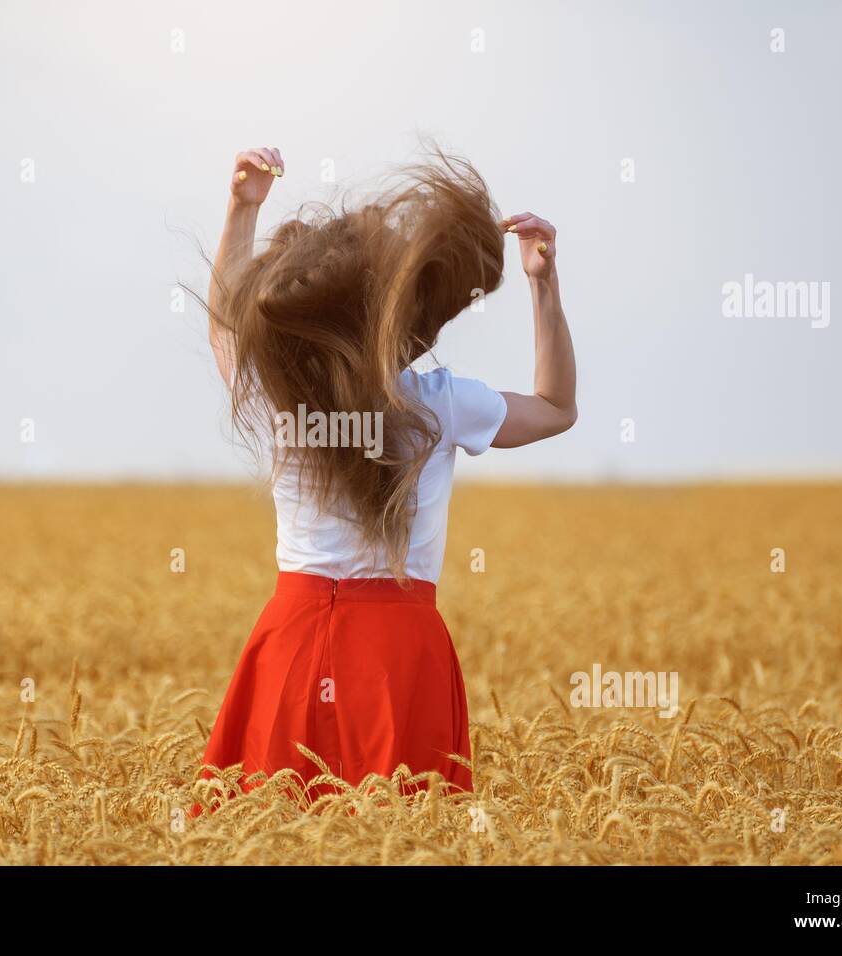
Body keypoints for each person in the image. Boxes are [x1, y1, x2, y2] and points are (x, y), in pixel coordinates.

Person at [196, 145, 577, 806]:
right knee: (408, 837)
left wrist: (242, 208)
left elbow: (225, 329)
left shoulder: (278, 400)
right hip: (398, 654)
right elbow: (555, 409)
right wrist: (542, 285)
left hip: (287, 645)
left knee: (269, 836)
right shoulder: (440, 400)